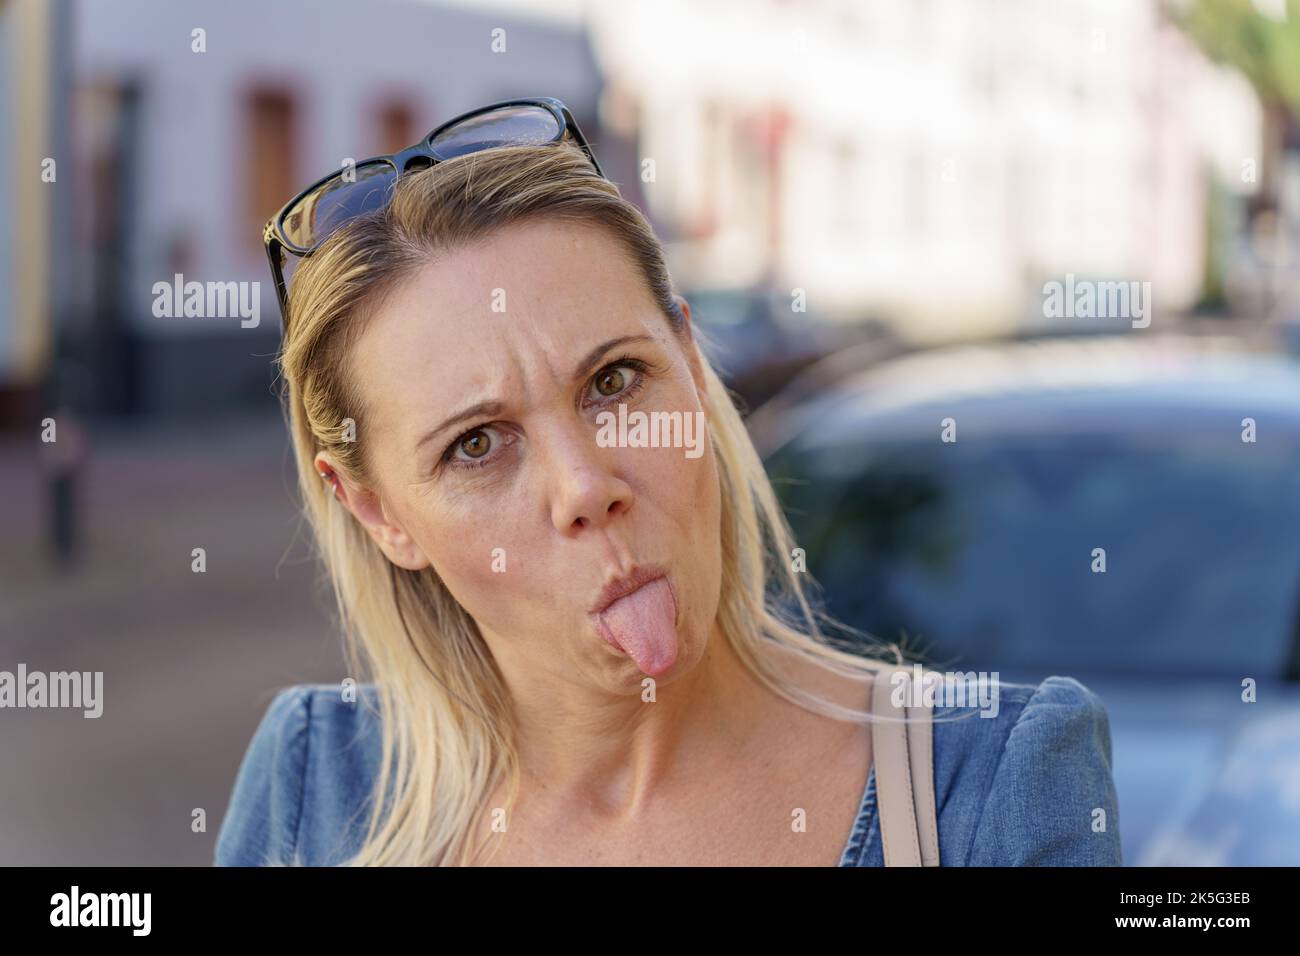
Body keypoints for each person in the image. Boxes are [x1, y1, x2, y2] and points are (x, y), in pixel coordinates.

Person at [214, 98, 1120, 867]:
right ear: (376, 512)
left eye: (613, 382)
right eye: (479, 445)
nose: (584, 487)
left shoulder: (990, 787)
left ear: (689, 360)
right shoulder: (314, 793)